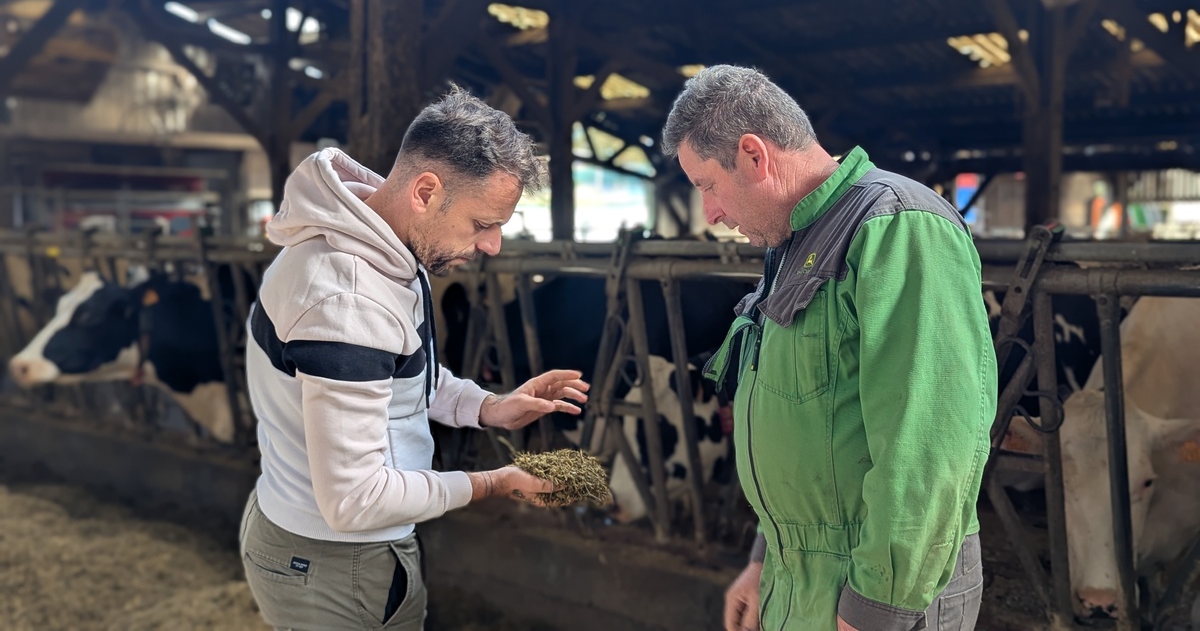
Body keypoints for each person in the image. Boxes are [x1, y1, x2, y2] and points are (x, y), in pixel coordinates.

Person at [238, 86, 588, 630]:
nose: (493, 245)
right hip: (332, 560)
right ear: (426, 191)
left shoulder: (385, 250)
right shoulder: (349, 300)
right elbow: (354, 500)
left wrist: (489, 407)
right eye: (483, 224)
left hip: (325, 542)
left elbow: (404, 378)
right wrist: (492, 483)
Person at [661, 65, 997, 631]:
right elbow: (811, 427)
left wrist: (875, 610)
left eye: (708, 186)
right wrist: (763, 561)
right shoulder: (796, 239)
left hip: (879, 587)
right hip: (803, 580)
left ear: (753, 156)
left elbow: (930, 446)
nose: (710, 214)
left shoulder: (897, 227)